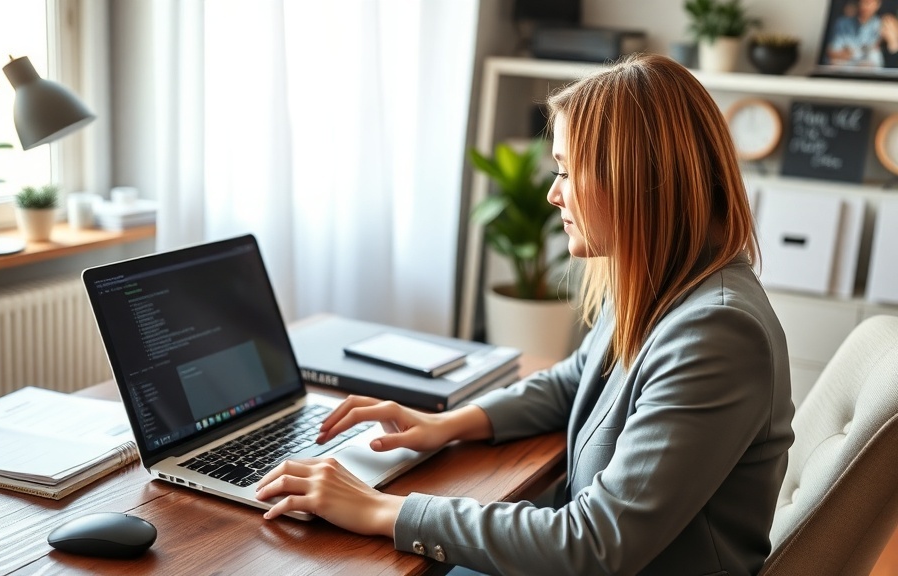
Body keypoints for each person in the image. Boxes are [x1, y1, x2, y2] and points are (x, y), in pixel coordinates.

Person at [255, 53, 795, 575]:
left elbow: (594, 545)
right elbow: (574, 381)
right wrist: (445, 425)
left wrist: (380, 509)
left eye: (566, 169)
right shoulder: (662, 280)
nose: (554, 195)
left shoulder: (717, 332)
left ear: (634, 179)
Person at [825, 0, 884, 67]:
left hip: (868, 73)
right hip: (844, 69)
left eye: (868, 3)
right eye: (862, 2)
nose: (864, 6)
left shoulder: (882, 26)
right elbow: (833, 53)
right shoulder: (842, 24)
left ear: (877, 5)